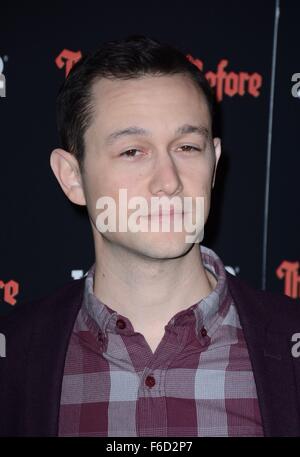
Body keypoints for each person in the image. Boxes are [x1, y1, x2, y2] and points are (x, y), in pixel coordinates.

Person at [0, 34, 300, 437]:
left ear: (213, 163)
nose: (169, 182)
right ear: (72, 177)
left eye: (188, 147)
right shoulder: (14, 358)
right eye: (132, 151)